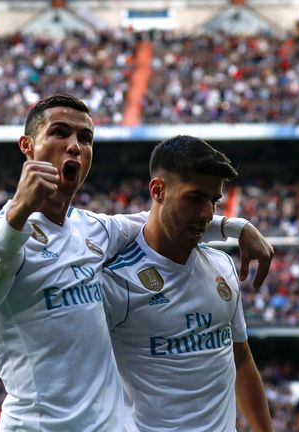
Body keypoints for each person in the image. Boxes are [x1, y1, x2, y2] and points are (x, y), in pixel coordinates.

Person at [0, 94, 274, 431]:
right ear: (27, 146)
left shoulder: (92, 229)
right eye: (60, 133)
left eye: (85, 138)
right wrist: (19, 213)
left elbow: (162, 220)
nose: (74, 146)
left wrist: (235, 227)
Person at [103, 135, 273, 431]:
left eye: (214, 200)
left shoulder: (222, 266)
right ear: (158, 191)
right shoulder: (117, 280)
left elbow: (242, 361)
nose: (208, 213)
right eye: (195, 198)